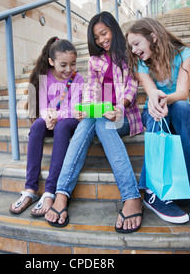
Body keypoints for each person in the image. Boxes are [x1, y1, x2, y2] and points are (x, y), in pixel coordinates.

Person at [45, 12, 144, 233]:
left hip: (123, 116)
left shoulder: (129, 54)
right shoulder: (94, 61)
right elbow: (91, 88)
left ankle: (131, 196)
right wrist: (88, 106)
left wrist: (119, 108)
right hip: (100, 116)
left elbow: (132, 86)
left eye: (104, 33)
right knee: (92, 120)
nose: (101, 40)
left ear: (114, 30)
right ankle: (62, 194)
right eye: (96, 37)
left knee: (100, 122)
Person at [125, 18, 190, 225]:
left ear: (152, 37)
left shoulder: (184, 54)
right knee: (156, 115)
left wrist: (165, 100)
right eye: (131, 46)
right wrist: (157, 101)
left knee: (183, 108)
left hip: (177, 107)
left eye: (137, 43)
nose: (134, 49)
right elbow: (150, 90)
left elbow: (182, 93)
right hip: (155, 109)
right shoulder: (140, 63)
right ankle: (154, 192)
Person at [9, 37, 84, 217]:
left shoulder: (78, 78)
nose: (68, 69)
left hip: (69, 120)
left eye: (72, 64)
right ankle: (30, 189)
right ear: (51, 62)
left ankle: (50, 190)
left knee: (61, 128)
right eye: (63, 65)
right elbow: (43, 106)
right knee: (36, 127)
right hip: (53, 117)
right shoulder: (45, 78)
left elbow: (74, 109)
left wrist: (56, 116)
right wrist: (47, 116)